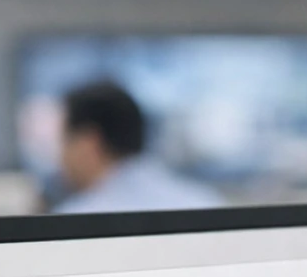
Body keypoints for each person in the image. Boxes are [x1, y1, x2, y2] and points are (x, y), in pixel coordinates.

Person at [52, 81, 223, 215]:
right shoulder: (206, 202)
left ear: (89, 142)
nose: (60, 156)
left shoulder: (75, 221)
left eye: (64, 141)